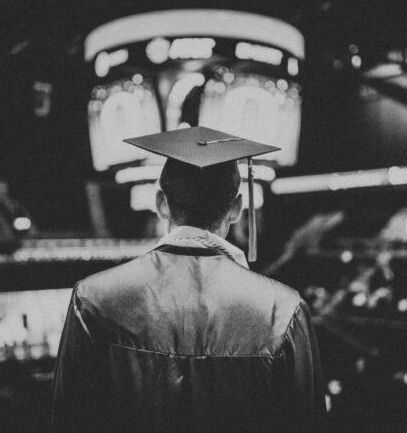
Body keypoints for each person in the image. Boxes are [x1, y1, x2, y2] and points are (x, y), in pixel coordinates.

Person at [51, 127, 326, 432]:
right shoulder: (283, 311)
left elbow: (69, 419)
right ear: (236, 208)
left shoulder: (92, 300)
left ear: (161, 203)